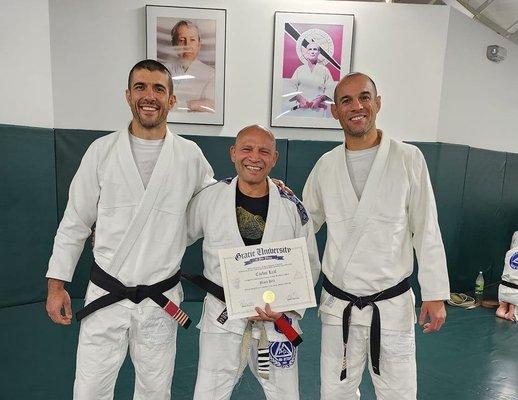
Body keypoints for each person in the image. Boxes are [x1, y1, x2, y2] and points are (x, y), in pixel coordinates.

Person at [45, 59, 214, 400]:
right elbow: (75, 221)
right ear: (127, 95)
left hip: (160, 298)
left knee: (155, 391)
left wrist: (262, 187)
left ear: (171, 100)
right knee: (90, 389)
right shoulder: (101, 151)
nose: (149, 96)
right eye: (140, 87)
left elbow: (214, 207)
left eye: (158, 89)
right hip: (106, 294)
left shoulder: (189, 155)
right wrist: (56, 284)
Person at [302, 72, 450, 400]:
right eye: (346, 100)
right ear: (335, 111)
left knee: (398, 393)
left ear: (377, 103)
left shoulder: (408, 158)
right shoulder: (325, 166)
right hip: (339, 304)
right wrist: (280, 202)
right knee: (335, 392)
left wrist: (435, 292)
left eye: (364, 97)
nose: (357, 106)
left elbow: (426, 227)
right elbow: (303, 227)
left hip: (391, 305)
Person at [185, 124, 321, 400]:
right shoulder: (209, 199)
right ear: (233, 153)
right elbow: (175, 237)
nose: (254, 157)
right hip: (222, 318)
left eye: (264, 151)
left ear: (274, 158)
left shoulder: (292, 206)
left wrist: (286, 306)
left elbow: (309, 265)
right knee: (208, 394)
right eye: (246, 148)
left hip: (277, 321)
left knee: (285, 395)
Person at [168, 20, 215, 113]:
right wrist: (195, 105)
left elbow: (211, 107)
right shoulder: (164, 71)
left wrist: (187, 105)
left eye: (192, 40)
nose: (187, 45)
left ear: (199, 45)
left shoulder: (211, 74)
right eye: (182, 40)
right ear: (174, 44)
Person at [286, 39, 334, 117]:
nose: (312, 51)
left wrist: (320, 99)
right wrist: (299, 98)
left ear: (319, 53)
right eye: (310, 49)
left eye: (315, 49)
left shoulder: (324, 70)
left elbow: (331, 88)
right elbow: (290, 87)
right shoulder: (300, 69)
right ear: (306, 52)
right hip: (301, 109)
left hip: (319, 110)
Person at [496, 231, 518, 321]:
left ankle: (504, 310)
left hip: (502, 291)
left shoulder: (509, 253)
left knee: (501, 308)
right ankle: (513, 307)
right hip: (516, 293)